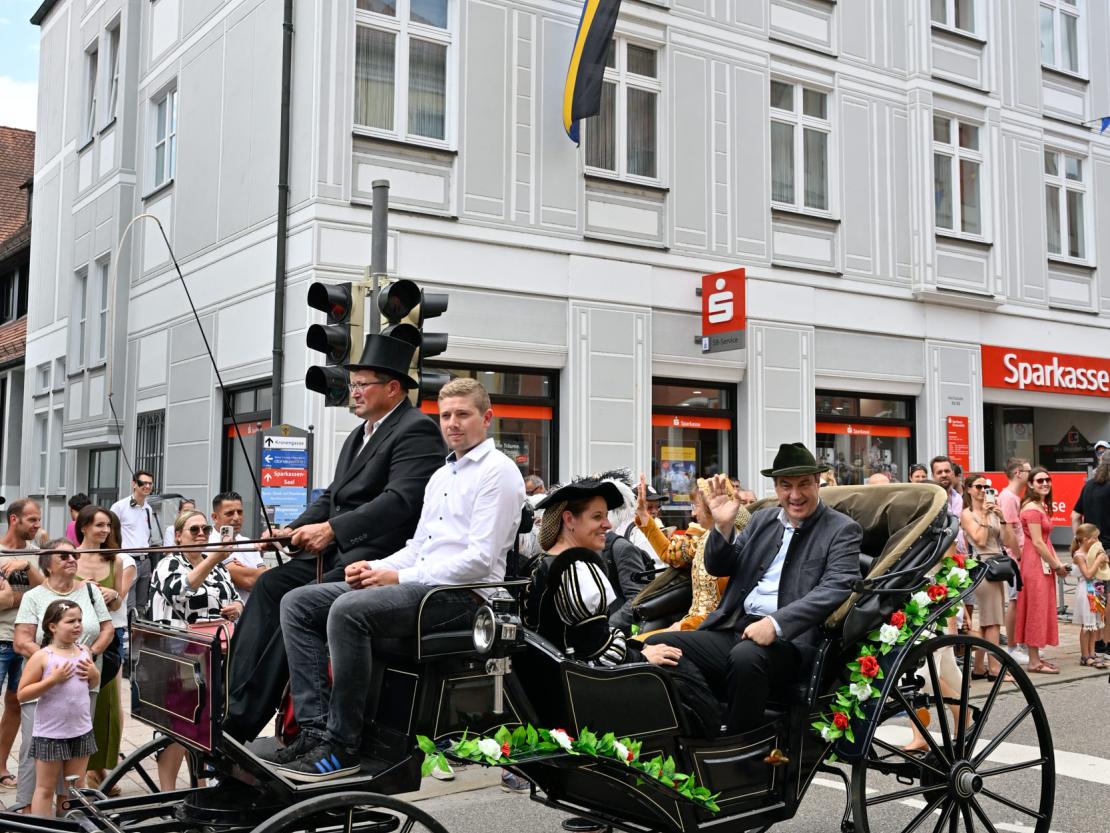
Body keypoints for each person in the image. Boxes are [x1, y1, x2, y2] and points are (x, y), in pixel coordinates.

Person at [273, 378, 525, 781]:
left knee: (348, 610)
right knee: (299, 603)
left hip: (463, 598)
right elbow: (419, 544)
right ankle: (316, 730)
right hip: (420, 583)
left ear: (487, 418)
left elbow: (478, 561)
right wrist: (375, 567)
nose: (452, 424)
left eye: (463, 414)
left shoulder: (500, 472)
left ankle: (342, 746)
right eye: (446, 416)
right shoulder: (443, 475)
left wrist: (398, 575)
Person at [226, 333, 445, 742]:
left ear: (393, 388)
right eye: (354, 384)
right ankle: (232, 699)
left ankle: (268, 720)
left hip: (372, 556)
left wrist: (331, 530)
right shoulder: (360, 434)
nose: (354, 392)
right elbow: (333, 494)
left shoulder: (416, 430)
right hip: (335, 551)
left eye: (363, 385)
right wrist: (292, 530)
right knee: (270, 585)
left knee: (299, 605)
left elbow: (400, 502)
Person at [644, 443, 862, 735]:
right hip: (734, 627)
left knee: (746, 657)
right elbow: (720, 566)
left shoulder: (841, 528)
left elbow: (837, 586)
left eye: (803, 485)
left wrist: (776, 624)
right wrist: (722, 528)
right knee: (658, 645)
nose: (795, 495)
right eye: (786, 486)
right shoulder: (762, 520)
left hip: (791, 643)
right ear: (776, 486)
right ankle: (707, 726)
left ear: (817, 483)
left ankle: (739, 744)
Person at [10, 541, 112, 814]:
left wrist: (88, 655)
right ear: (47, 562)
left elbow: (107, 630)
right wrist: (53, 659)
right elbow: (21, 640)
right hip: (48, 681)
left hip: (81, 679)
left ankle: (67, 813)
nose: (72, 559)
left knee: (76, 743)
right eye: (64, 555)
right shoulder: (34, 596)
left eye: (74, 555)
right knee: (36, 746)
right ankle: (28, 807)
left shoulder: (90, 590)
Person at [150, 510, 243, 789]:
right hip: (178, 655)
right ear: (178, 536)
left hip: (216, 653)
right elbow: (180, 591)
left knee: (205, 723)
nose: (202, 534)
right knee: (177, 723)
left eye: (205, 529)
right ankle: (166, 796)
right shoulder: (169, 564)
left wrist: (235, 609)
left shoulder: (217, 567)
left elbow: (237, 599)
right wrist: (216, 556)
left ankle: (199, 789)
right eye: (194, 530)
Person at [633, 475, 751, 634]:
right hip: (690, 624)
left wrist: (684, 626)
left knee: (645, 644)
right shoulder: (701, 539)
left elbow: (724, 608)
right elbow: (670, 553)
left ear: (712, 508)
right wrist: (643, 515)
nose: (693, 512)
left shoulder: (736, 546)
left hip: (714, 630)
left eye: (696, 505)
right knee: (636, 642)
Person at [17, 600, 99, 818]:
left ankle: (69, 825)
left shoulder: (84, 651)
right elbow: (22, 693)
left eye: (80, 620)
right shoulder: (43, 656)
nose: (77, 625)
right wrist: (52, 680)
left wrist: (94, 674)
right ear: (53, 627)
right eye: (70, 621)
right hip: (51, 734)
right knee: (45, 788)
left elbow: (90, 685)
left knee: (74, 789)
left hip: (81, 730)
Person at [72, 507, 126, 794]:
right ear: (84, 527)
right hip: (73, 639)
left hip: (106, 641)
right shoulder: (72, 558)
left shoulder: (114, 560)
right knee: (77, 706)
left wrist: (113, 594)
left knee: (106, 707)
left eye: (108, 526)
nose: (106, 530)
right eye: (100, 525)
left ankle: (98, 767)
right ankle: (80, 771)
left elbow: (117, 604)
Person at [0, 499, 44, 790]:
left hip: (26, 641)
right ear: (14, 519)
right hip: (0, 638)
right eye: (31, 520)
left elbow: (45, 592)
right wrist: (20, 598)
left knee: (15, 703)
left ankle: (1, 765)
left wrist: (27, 567)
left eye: (38, 519)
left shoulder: (38, 554)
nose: (37, 525)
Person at [960, 474, 1018, 681]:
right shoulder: (967, 514)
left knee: (988, 621)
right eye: (978, 486)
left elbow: (1009, 542)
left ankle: (978, 668)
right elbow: (980, 540)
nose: (983, 490)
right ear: (968, 489)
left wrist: (1001, 518)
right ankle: (994, 668)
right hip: (982, 566)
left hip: (996, 566)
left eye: (986, 487)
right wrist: (984, 516)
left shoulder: (992, 512)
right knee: (992, 621)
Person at [1014, 468, 1068, 674]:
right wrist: (1057, 565)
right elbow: (1037, 542)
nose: (1045, 483)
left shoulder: (1038, 506)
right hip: (1035, 563)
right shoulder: (1032, 509)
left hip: (1038, 561)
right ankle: (1034, 661)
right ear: (1030, 484)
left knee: (1039, 607)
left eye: (1048, 479)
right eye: (1039, 480)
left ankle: (1036, 657)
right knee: (1036, 608)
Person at [1073, 451, 1110, 656]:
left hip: (1091, 546)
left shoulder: (1088, 486)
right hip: (1106, 549)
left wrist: (1080, 543)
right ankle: (1106, 640)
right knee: (1108, 596)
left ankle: (1095, 642)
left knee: (1097, 595)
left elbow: (1075, 516)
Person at [207, 492, 267, 605]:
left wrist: (252, 573)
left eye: (239, 512)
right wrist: (254, 573)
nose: (236, 518)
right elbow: (249, 581)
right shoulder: (210, 542)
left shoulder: (247, 542)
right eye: (229, 513)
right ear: (215, 517)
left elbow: (265, 581)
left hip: (251, 613)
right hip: (227, 615)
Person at [110, 470, 156, 617]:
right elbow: (110, 534)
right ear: (134, 484)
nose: (147, 486)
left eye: (150, 483)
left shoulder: (148, 508)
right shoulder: (119, 507)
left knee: (142, 605)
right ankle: (127, 637)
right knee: (128, 605)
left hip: (145, 560)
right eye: (143, 483)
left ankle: (139, 638)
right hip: (128, 561)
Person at [999, 458, 1031, 665]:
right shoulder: (1009, 498)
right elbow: (1008, 532)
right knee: (1014, 601)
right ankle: (1012, 646)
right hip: (1014, 558)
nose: (1030, 474)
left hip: (1019, 556)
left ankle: (1020, 643)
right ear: (1019, 473)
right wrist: (1019, 556)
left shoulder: (1014, 497)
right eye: (1028, 471)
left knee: (1019, 601)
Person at [1070, 523, 1106, 669]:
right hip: (1086, 589)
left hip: (1096, 589)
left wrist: (1103, 561)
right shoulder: (1079, 555)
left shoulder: (1093, 553)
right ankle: (1085, 655)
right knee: (1086, 625)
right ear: (1085, 539)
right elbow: (1088, 574)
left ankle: (1092, 653)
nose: (1097, 541)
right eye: (1095, 538)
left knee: (1094, 625)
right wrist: (1098, 561)